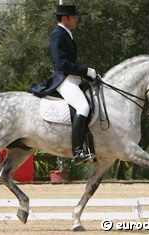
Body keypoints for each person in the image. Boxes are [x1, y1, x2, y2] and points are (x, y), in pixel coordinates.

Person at [29, 5, 97, 164]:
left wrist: (88, 75)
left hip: (74, 79)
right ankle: (77, 151)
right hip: (64, 80)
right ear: (65, 18)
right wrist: (85, 70)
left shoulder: (67, 34)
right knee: (83, 107)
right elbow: (61, 64)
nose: (76, 20)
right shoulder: (58, 35)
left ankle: (90, 147)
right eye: (74, 17)